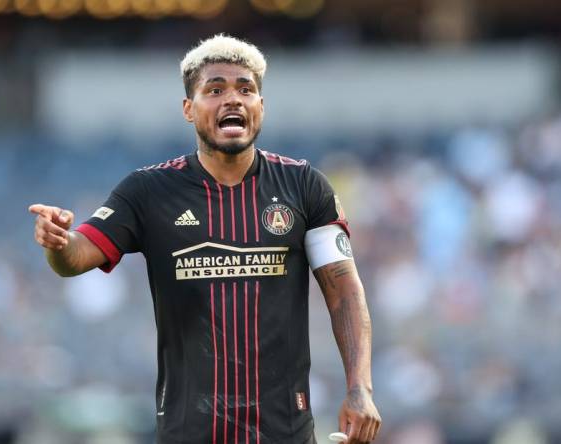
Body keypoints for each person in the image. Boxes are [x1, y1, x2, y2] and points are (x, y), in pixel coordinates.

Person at [29, 34, 381, 444]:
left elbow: (343, 290)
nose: (233, 99)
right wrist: (58, 242)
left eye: (245, 90)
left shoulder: (305, 187)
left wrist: (360, 388)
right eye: (215, 90)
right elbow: (75, 258)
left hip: (284, 430)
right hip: (189, 431)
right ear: (188, 109)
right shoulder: (147, 191)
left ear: (261, 108)